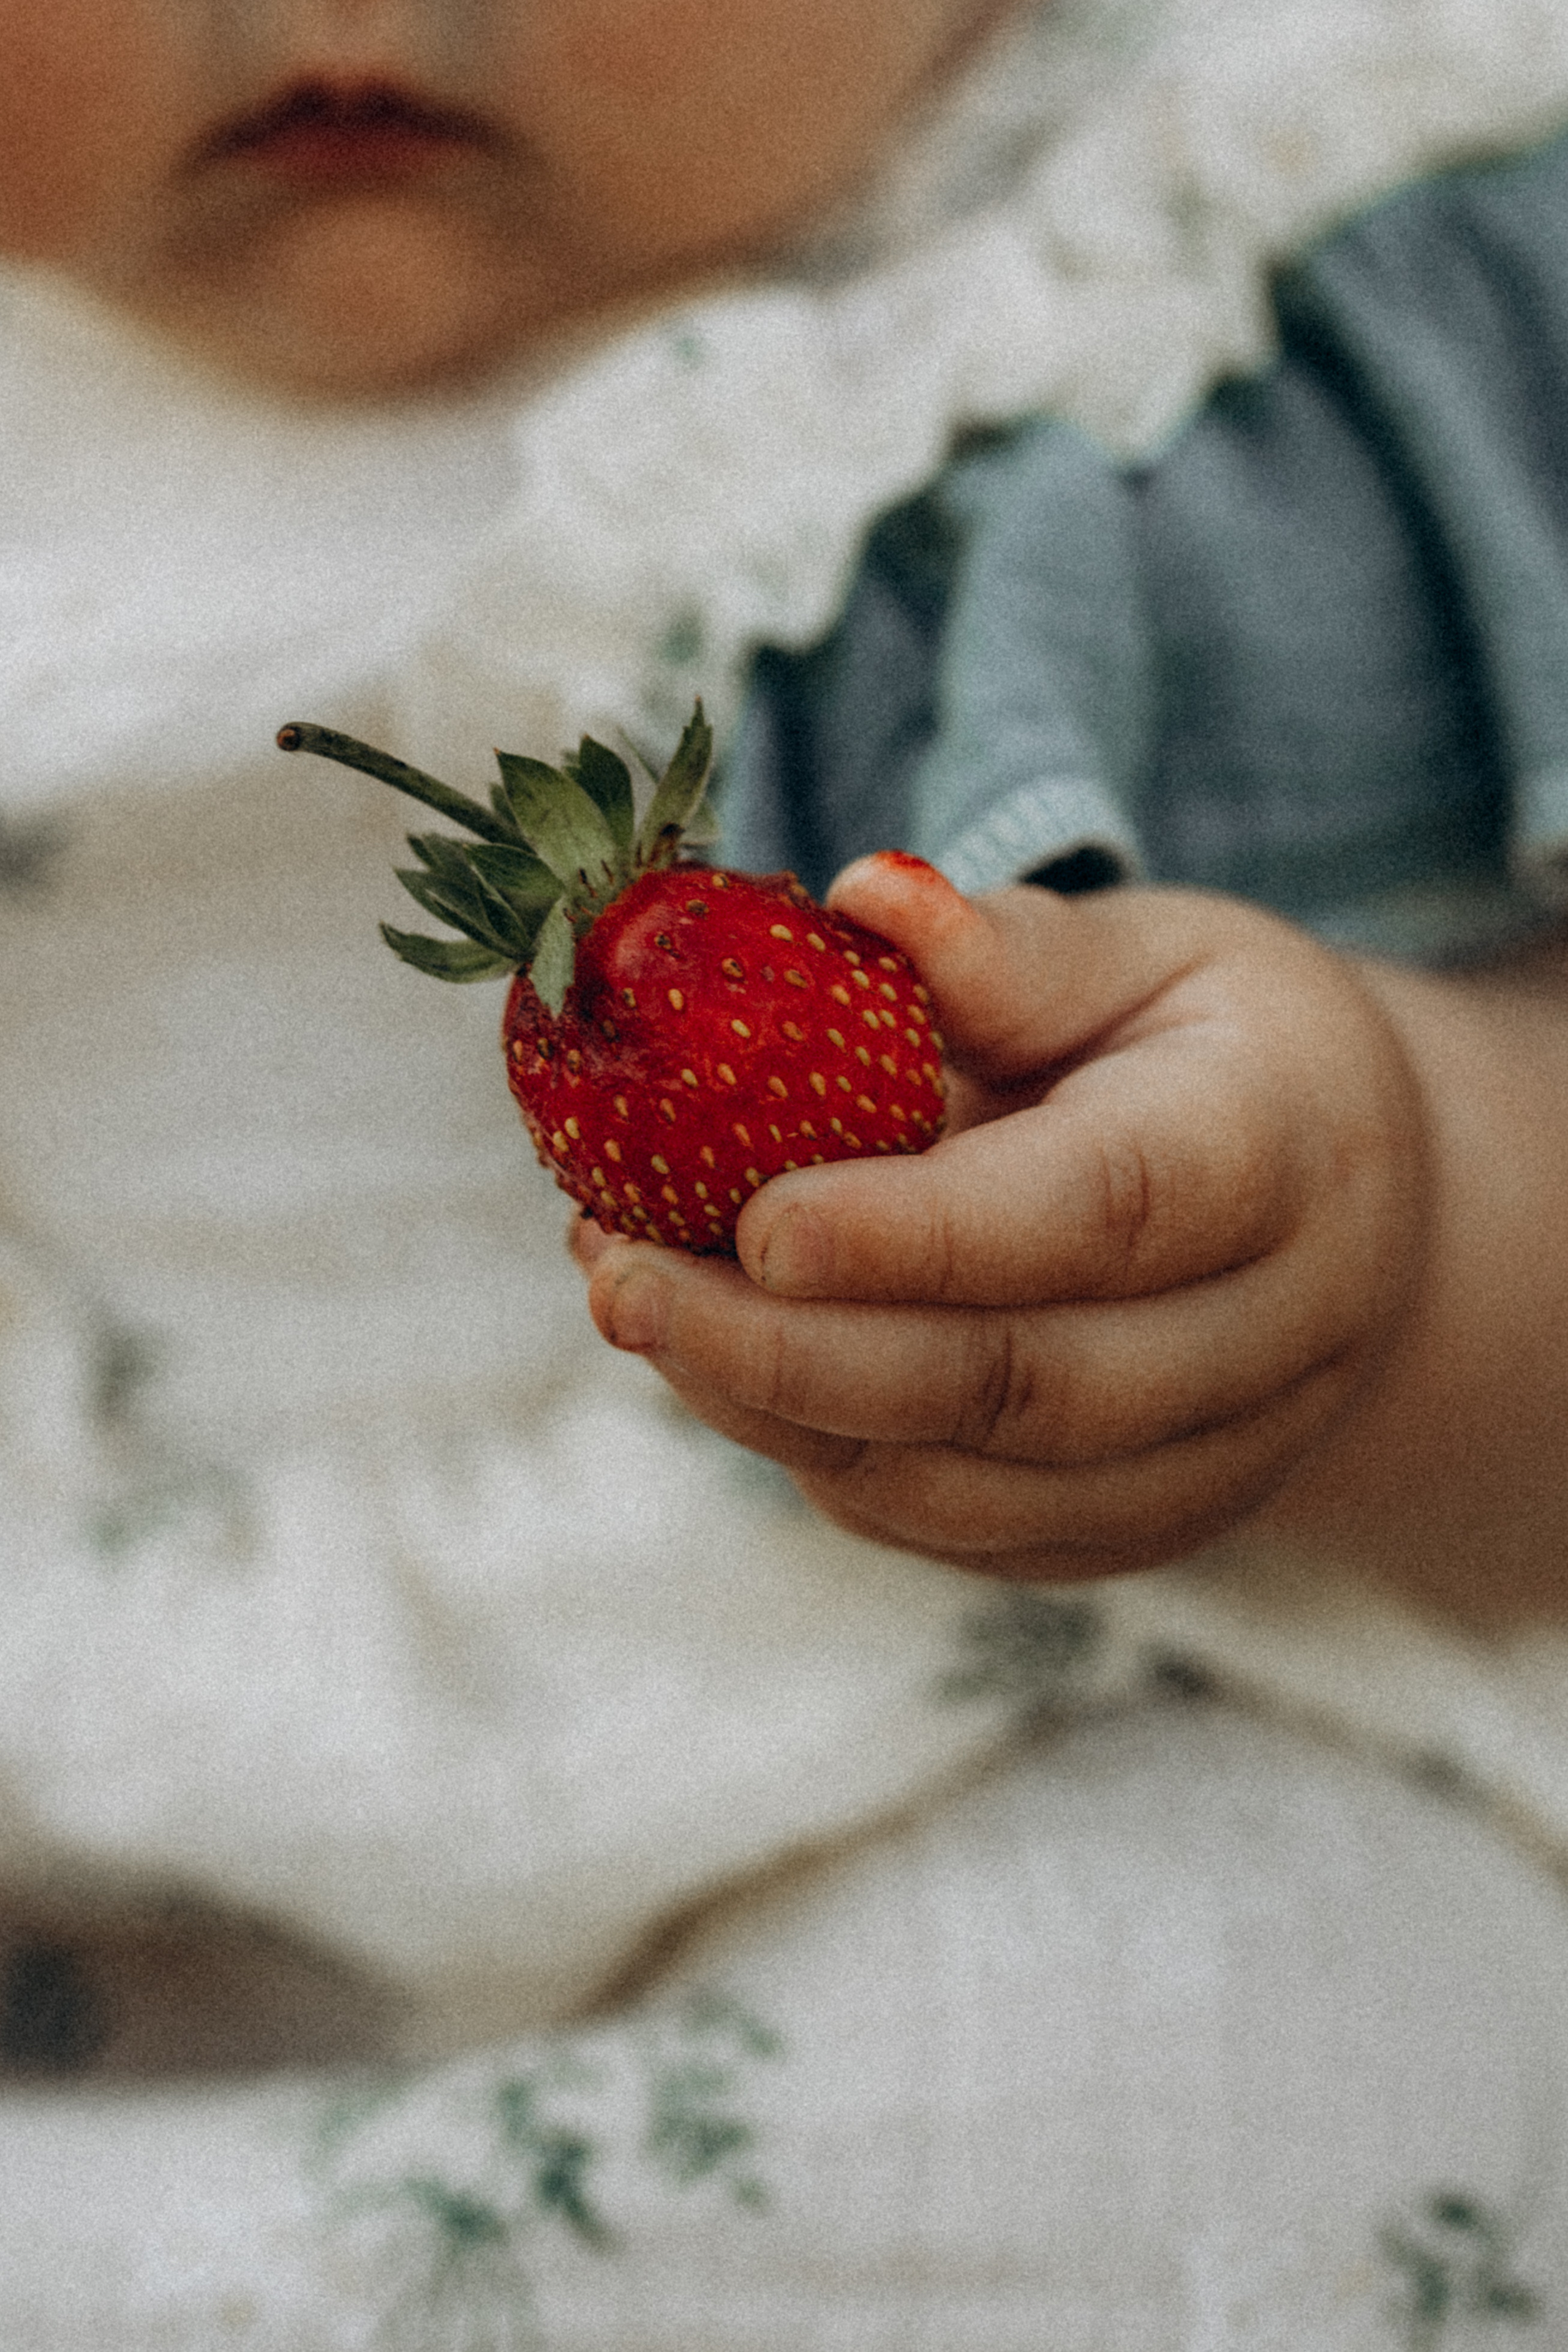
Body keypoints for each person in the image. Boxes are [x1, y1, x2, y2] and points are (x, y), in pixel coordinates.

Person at [6, 0, 1568, 2344]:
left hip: (988, 1733)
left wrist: (1385, 1228)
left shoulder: (1222, 287)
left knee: (1261, 2034)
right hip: (103, 1848)